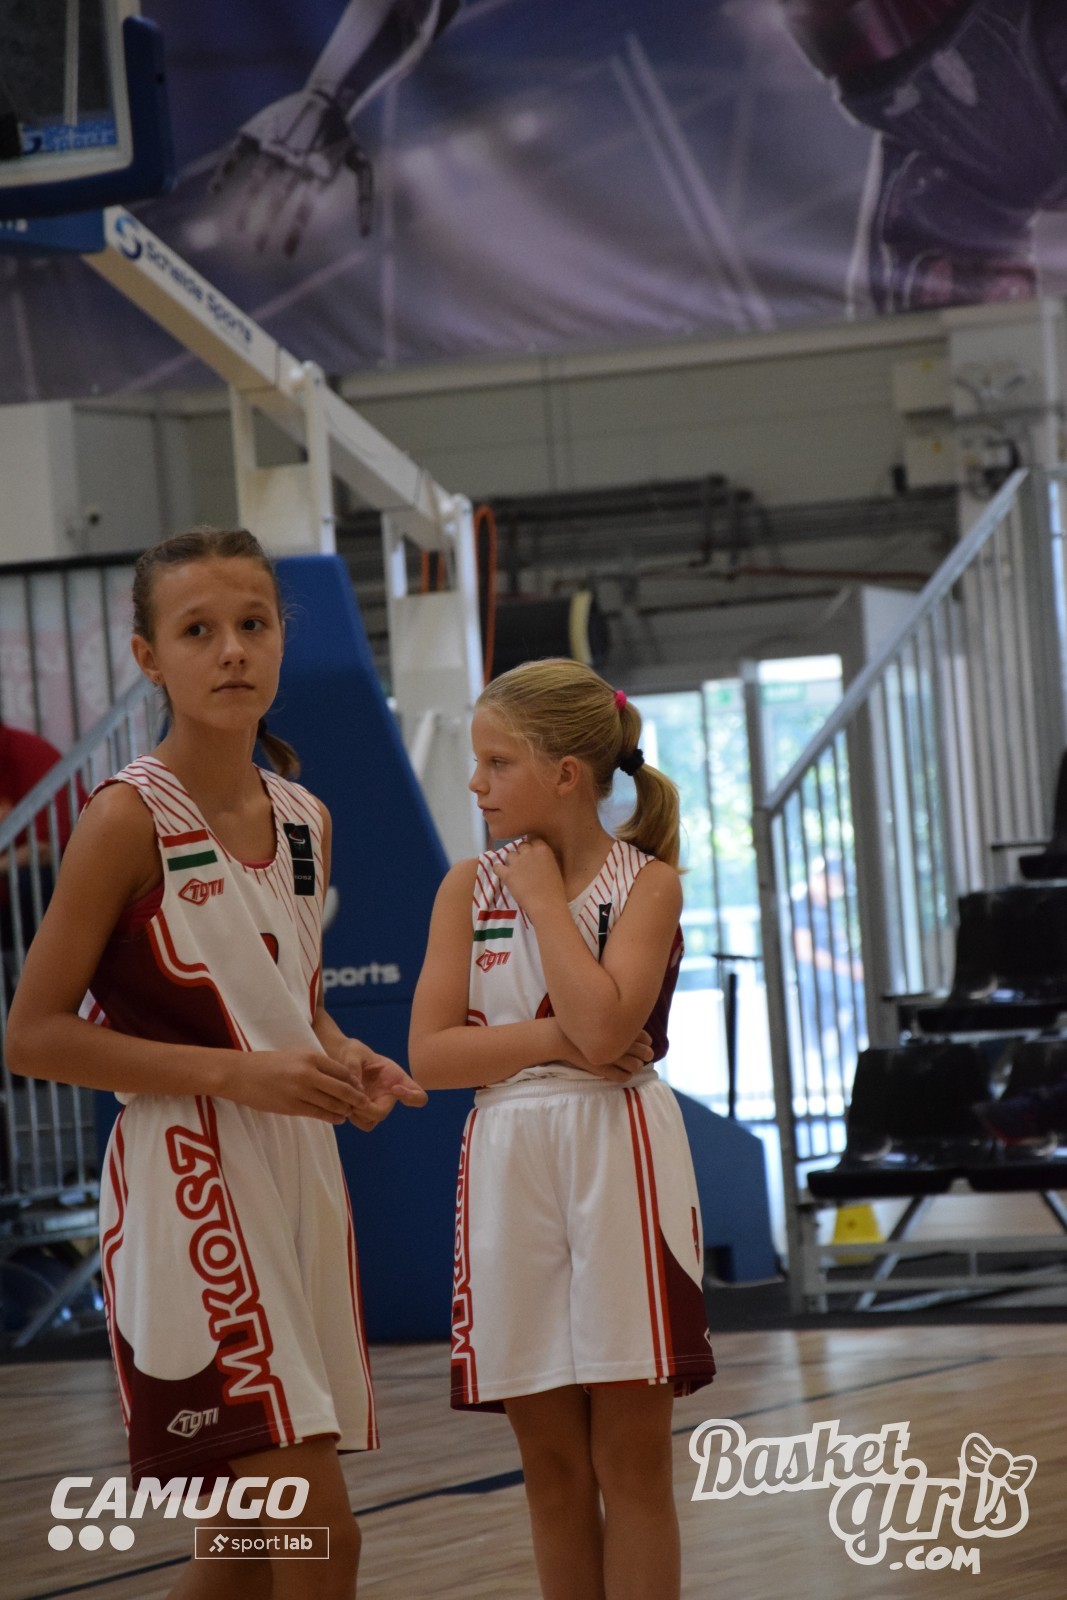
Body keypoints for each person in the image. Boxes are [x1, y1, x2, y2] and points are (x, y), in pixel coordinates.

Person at [5, 526, 427, 1600]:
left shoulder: (305, 817)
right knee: (318, 1531)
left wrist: (343, 1057)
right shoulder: (123, 818)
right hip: (188, 1172)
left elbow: (294, 1001)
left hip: (294, 1173)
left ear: (283, 638)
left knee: (241, 1548)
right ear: (148, 657)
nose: (232, 648)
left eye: (252, 624)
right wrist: (241, 1074)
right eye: (198, 630)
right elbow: (33, 1032)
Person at [408, 660, 715, 1600]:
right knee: (548, 1464)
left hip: (620, 1150)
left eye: (496, 762)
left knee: (631, 1458)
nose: (476, 783)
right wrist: (557, 1040)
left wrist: (543, 903)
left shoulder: (646, 884)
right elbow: (431, 1056)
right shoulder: (463, 888)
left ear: (566, 775)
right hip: (506, 1154)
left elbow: (608, 1032)